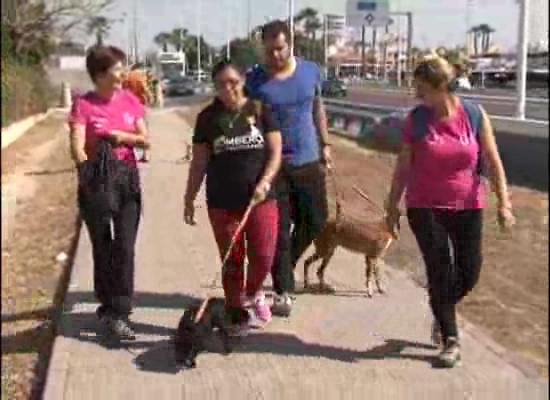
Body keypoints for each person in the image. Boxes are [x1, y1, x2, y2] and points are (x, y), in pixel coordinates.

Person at [384, 56, 515, 368]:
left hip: (468, 204)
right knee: (440, 268)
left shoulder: (472, 113)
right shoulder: (416, 120)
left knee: (470, 271)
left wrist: (504, 203)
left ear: (442, 88)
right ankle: (450, 337)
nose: (418, 96)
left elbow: (493, 160)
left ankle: (442, 310)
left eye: (422, 89)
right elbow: (403, 166)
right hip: (424, 205)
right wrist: (391, 205)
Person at [184, 59, 282, 335]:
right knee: (232, 260)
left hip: (261, 198)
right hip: (222, 201)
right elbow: (199, 162)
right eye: (221, 85)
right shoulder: (207, 118)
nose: (228, 90)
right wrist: (189, 198)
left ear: (244, 82)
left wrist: (265, 181)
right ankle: (236, 314)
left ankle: (253, 294)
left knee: (263, 255)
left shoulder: (261, 110)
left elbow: (275, 152)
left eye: (233, 83)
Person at [245, 20, 332, 317]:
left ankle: (285, 266)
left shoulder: (310, 71)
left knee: (317, 221)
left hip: (308, 159)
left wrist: (326, 144)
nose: (275, 56)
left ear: (290, 45)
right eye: (269, 51)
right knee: (279, 232)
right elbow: (248, 120)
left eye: (280, 49)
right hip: (272, 165)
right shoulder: (254, 81)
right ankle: (284, 290)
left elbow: (317, 108)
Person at [69, 46, 150, 339]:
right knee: (103, 248)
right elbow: (76, 142)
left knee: (125, 248)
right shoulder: (83, 105)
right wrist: (85, 169)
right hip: (97, 184)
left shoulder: (130, 100)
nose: (123, 73)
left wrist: (122, 137)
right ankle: (107, 305)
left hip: (127, 183)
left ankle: (121, 310)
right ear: (100, 74)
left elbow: (145, 140)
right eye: (118, 68)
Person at [122, 64, 153, 162]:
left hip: (128, 106)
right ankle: (145, 155)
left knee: (131, 130)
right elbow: (145, 89)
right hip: (140, 105)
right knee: (144, 130)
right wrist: (150, 97)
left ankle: (132, 154)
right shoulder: (140, 77)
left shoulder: (126, 78)